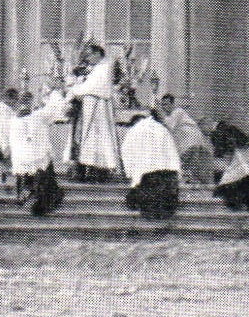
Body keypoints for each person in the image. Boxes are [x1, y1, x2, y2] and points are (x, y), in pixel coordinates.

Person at [66, 42, 122, 180]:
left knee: (97, 141)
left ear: (97, 54)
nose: (87, 58)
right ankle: (85, 171)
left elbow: (91, 87)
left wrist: (74, 90)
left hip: (98, 111)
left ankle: (97, 172)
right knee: (85, 140)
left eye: (89, 55)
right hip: (88, 108)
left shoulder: (104, 67)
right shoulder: (96, 67)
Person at [120, 110, 182, 219]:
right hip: (168, 176)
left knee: (138, 199)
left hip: (148, 178)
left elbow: (126, 153)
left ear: (133, 123)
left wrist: (131, 176)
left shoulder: (134, 130)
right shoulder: (162, 129)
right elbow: (173, 156)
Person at [157, 94, 216, 185]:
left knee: (187, 166)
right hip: (190, 144)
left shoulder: (178, 111)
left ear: (173, 104)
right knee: (193, 168)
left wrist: (159, 116)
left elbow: (169, 127)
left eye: (166, 104)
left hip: (191, 142)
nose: (164, 107)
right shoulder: (171, 116)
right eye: (163, 105)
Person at [212, 122, 249, 211]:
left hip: (243, 175)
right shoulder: (246, 146)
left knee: (224, 189)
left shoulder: (230, 146)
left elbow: (226, 164)